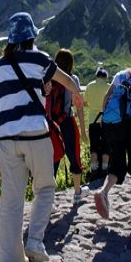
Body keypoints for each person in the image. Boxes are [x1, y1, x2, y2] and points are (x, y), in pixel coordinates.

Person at [0, 12, 82, 262]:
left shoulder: (0, 65)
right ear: (32, 35)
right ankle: (34, 240)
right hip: (36, 133)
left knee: (11, 201)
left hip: (7, 138)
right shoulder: (40, 58)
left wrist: (40, 87)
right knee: (44, 187)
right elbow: (66, 81)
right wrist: (77, 94)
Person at [93, 47, 131, 222]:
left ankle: (103, 192)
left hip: (115, 126)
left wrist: (106, 121)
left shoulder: (120, 75)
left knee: (117, 164)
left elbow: (107, 96)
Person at [47, 49, 89, 202]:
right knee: (74, 157)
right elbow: (79, 107)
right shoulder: (73, 79)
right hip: (68, 122)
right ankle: (77, 192)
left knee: (53, 160)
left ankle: (48, 199)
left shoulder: (49, 78)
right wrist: (83, 130)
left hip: (52, 125)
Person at [84, 67, 111, 177]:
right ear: (106, 77)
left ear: (96, 75)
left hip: (93, 121)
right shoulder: (109, 87)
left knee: (94, 147)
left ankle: (94, 170)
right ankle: (105, 169)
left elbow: (85, 102)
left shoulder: (90, 86)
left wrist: (93, 106)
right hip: (106, 121)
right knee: (106, 146)